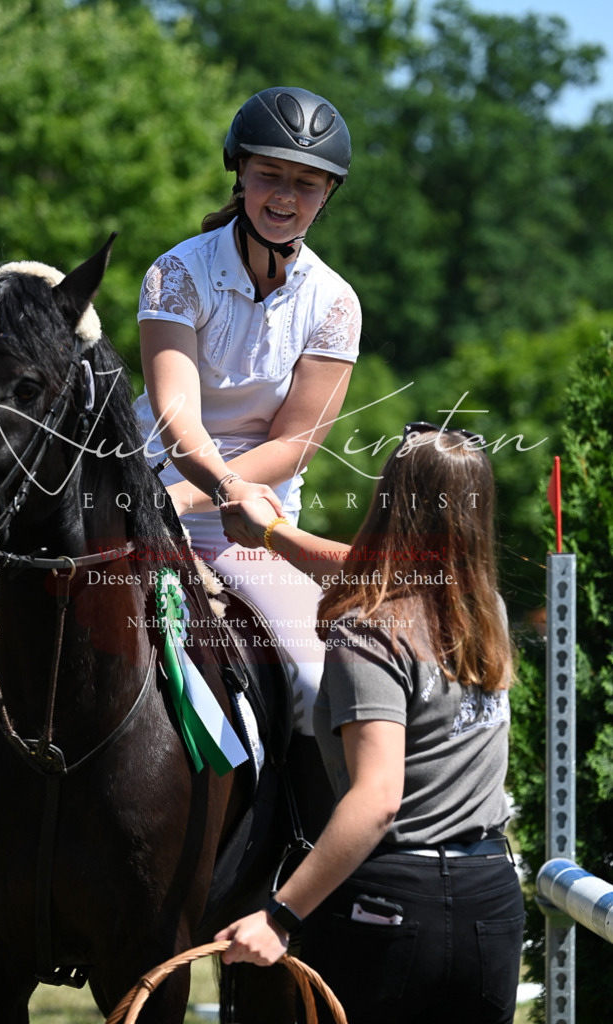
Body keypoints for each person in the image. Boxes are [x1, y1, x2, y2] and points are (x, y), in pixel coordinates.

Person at [215, 424, 525, 1024]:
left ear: (389, 501)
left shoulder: (368, 629)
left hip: (390, 908)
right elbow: (371, 574)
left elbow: (379, 798)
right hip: (492, 899)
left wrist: (280, 917)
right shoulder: (487, 608)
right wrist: (273, 534)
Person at [134, 86, 361, 834]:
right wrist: (212, 488)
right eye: (270, 175)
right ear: (241, 174)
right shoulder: (177, 273)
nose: (284, 197)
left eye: (305, 182)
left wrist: (228, 502)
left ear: (327, 193)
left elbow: (297, 444)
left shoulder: (335, 303)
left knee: (312, 673)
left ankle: (297, 859)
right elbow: (176, 418)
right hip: (143, 502)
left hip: (257, 529)